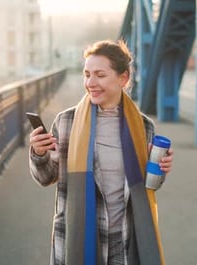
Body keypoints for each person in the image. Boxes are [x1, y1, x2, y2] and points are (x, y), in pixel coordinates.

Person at [29, 39, 174, 265]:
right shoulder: (66, 121)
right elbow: (46, 177)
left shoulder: (144, 127)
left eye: (100, 74)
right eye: (87, 74)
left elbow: (149, 186)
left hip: (125, 241)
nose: (90, 82)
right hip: (77, 240)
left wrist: (161, 170)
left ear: (123, 78)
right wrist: (39, 153)